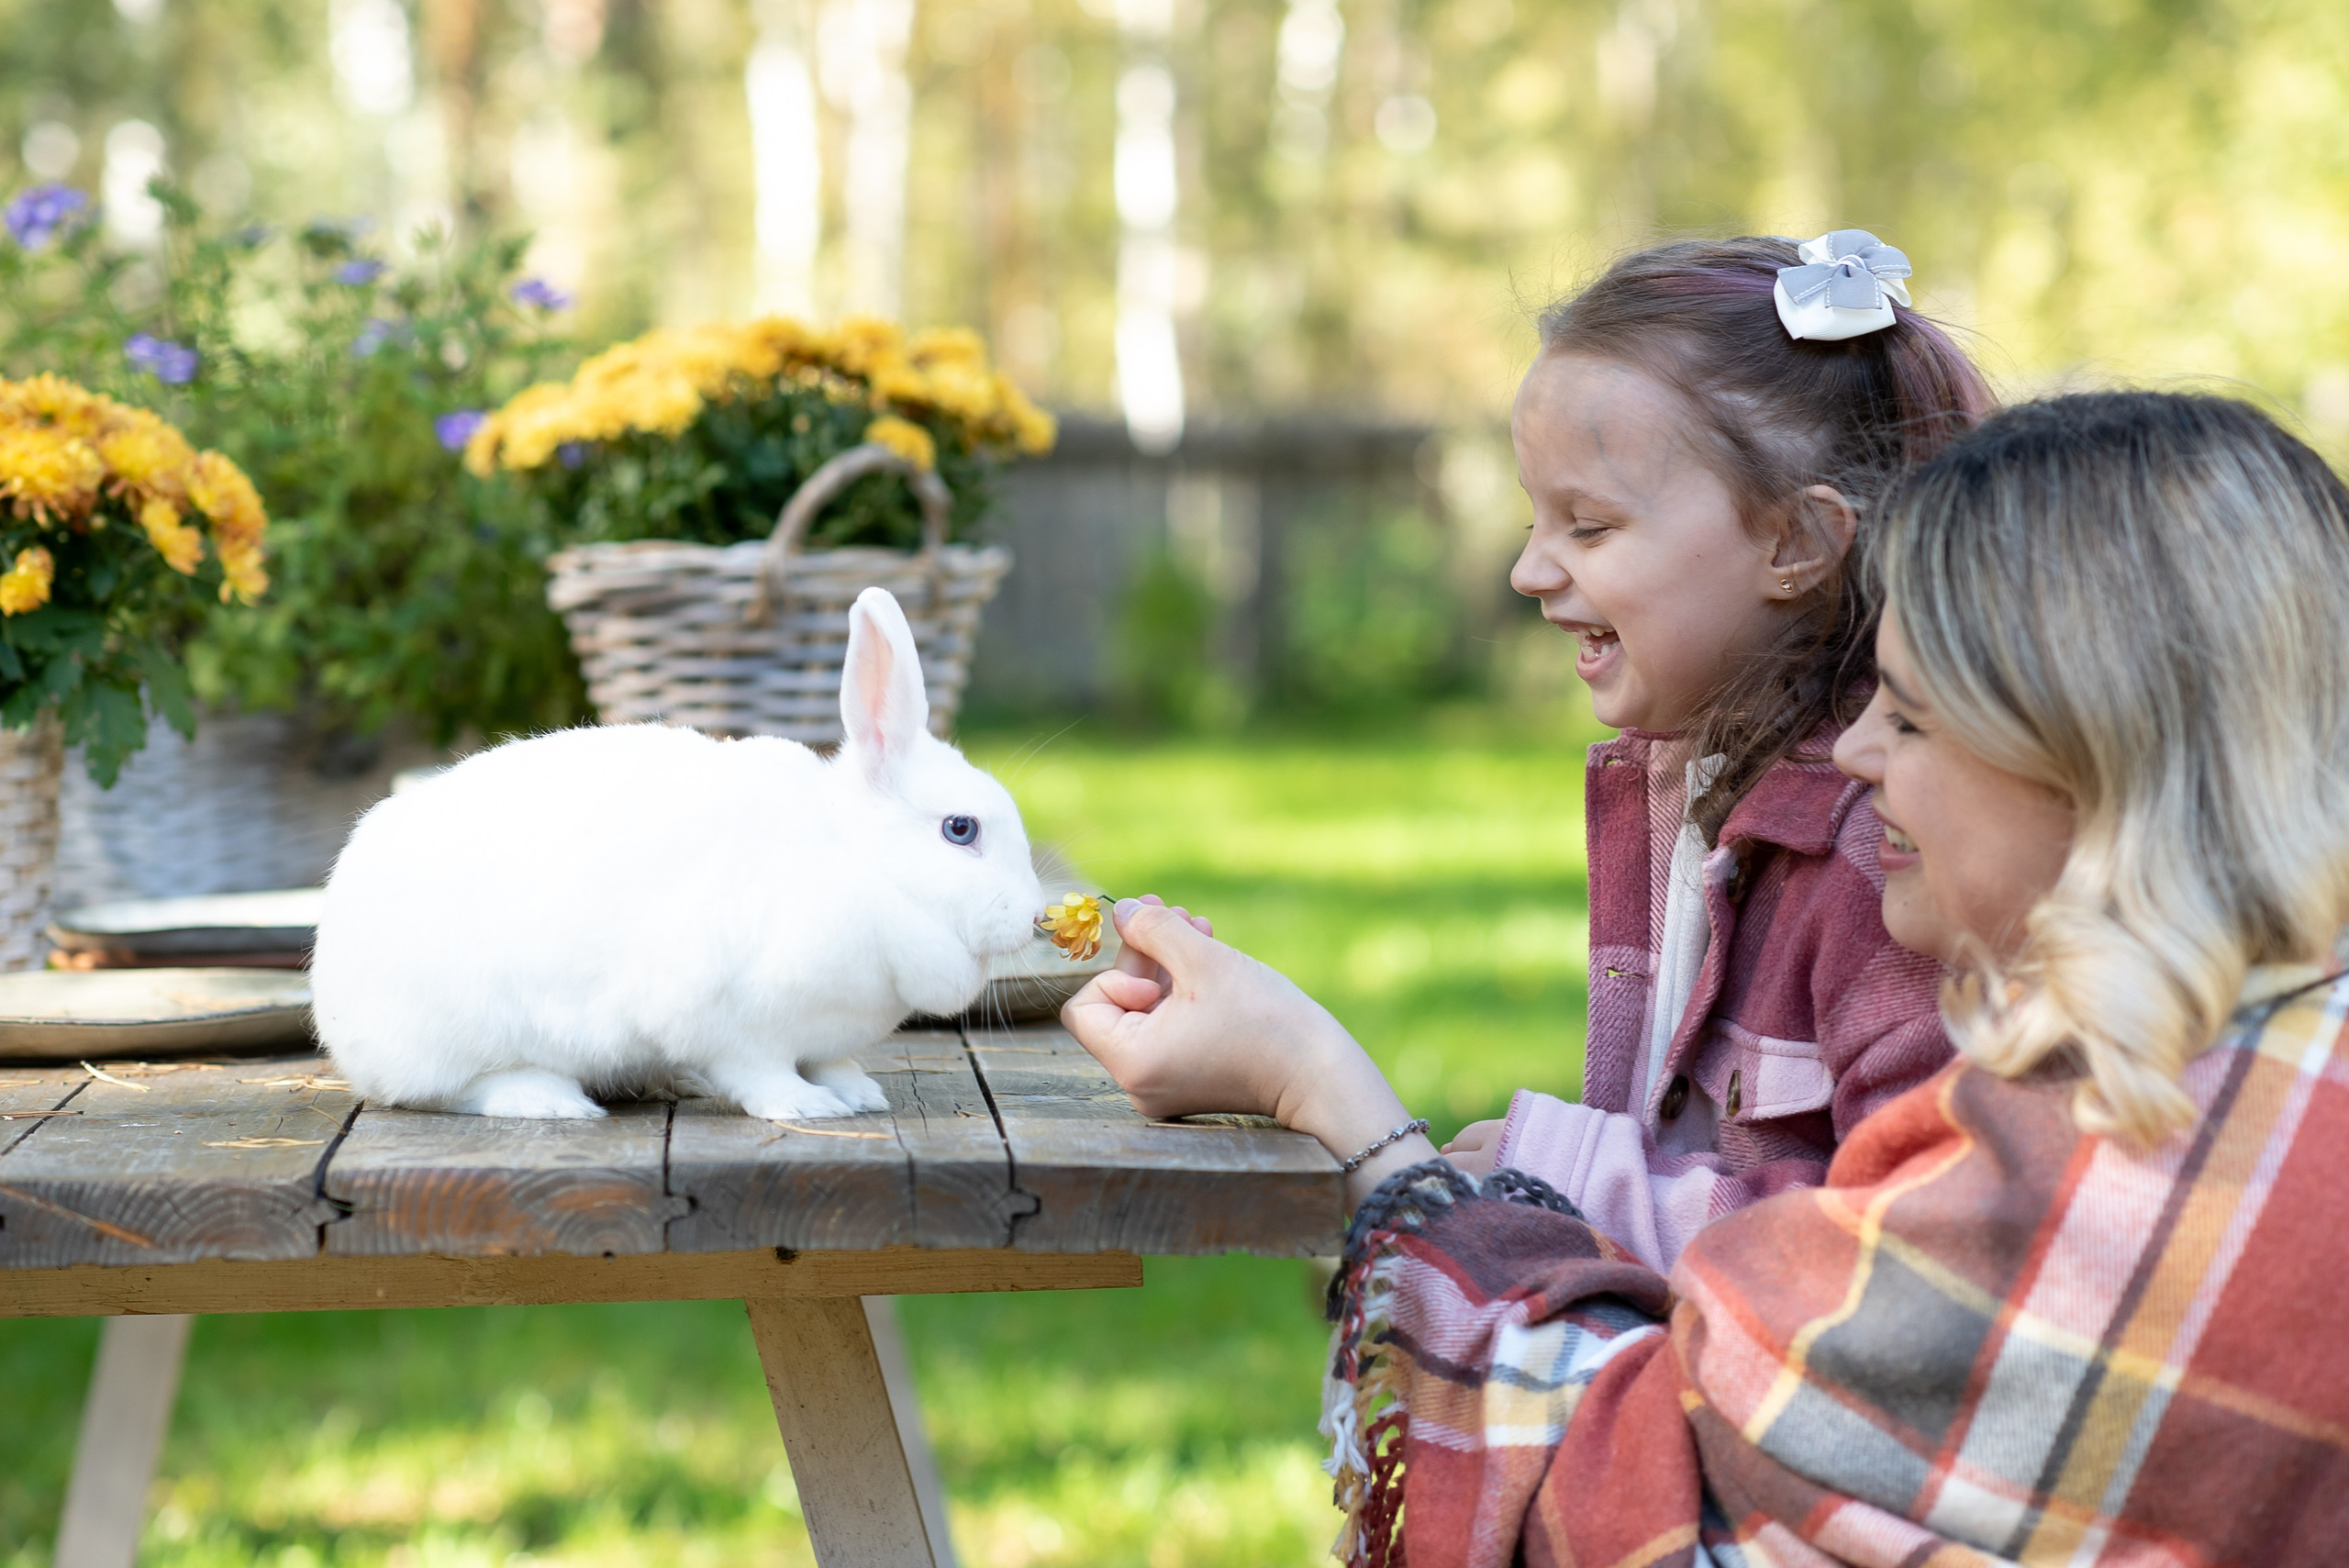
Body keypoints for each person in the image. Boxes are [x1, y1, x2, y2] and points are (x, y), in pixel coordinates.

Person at [1295, 390, 2349, 1566]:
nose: (1853, 753)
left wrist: (1359, 1126)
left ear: (2098, 752)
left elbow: (1648, 1509)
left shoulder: (2123, 1174)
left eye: (1910, 716)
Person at [1072, 231, 1993, 1270]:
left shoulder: (1891, 856)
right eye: (1531, 518)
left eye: (1587, 528)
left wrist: (1547, 1176)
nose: (1526, 570)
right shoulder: (1695, 793)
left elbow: (1903, 1259)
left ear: (1795, 543)